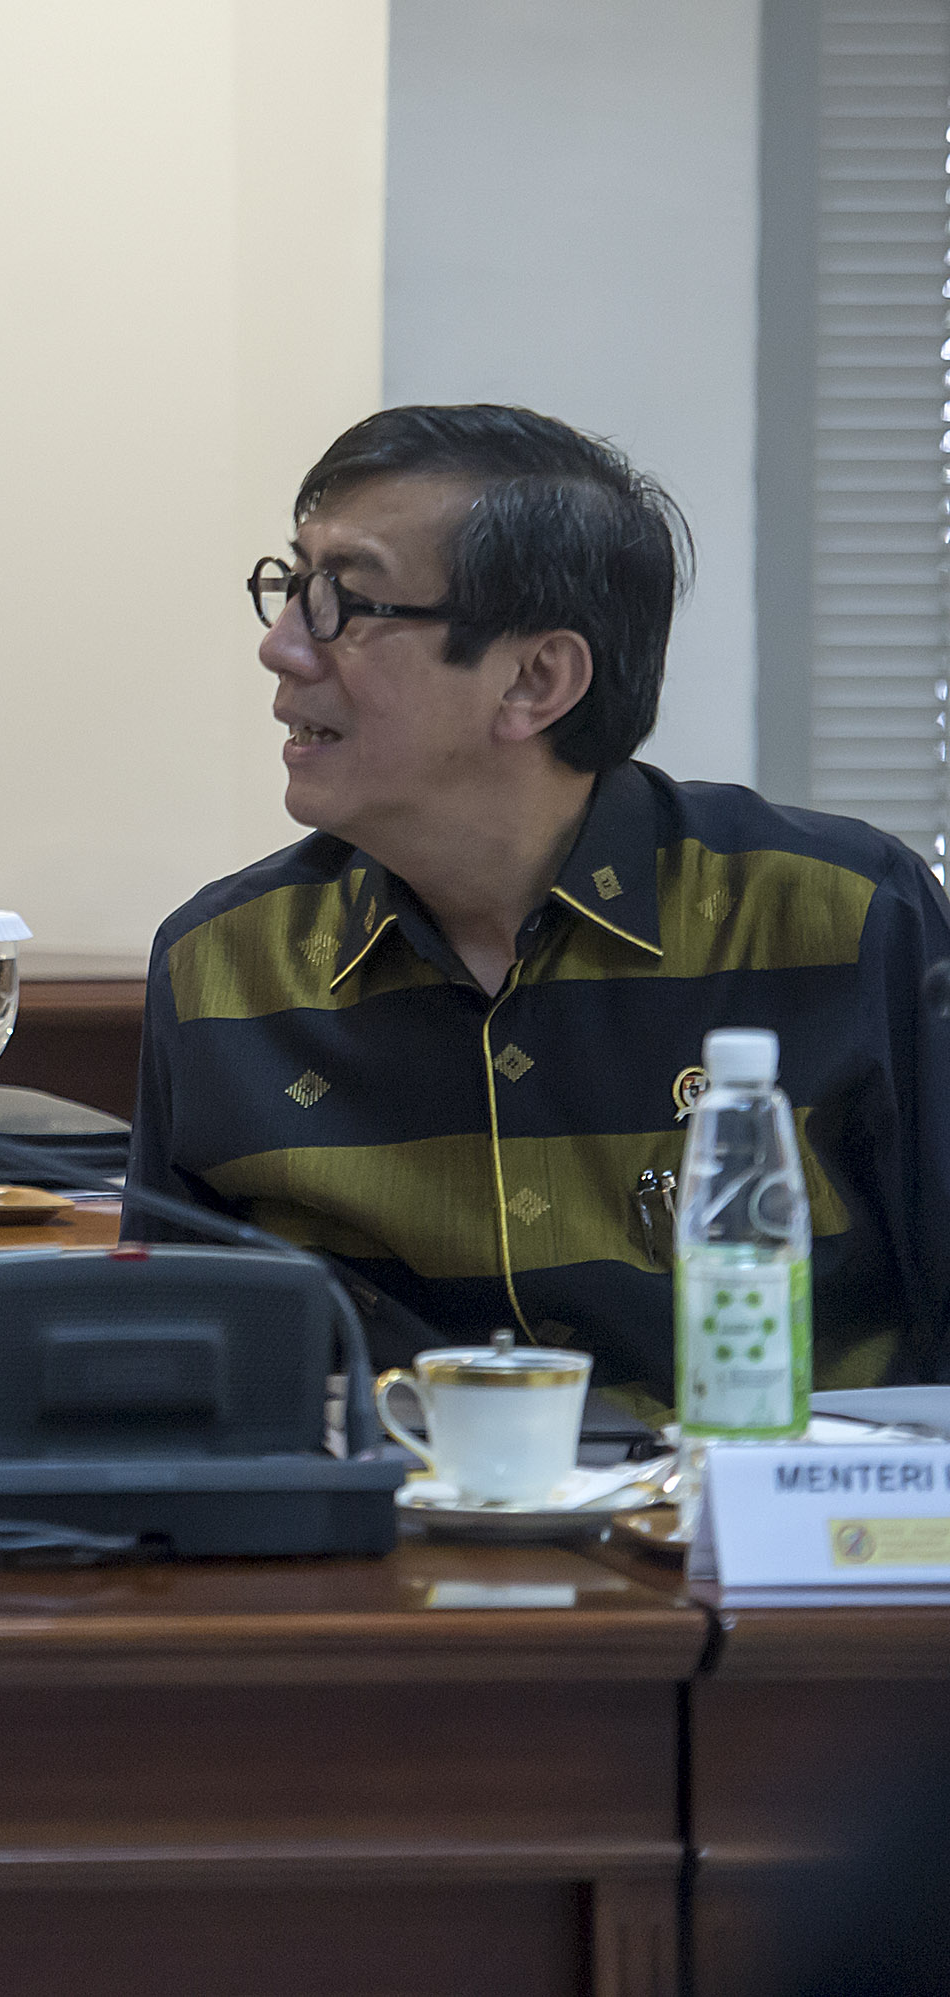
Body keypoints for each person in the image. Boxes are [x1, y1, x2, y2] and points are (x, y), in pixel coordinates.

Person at [128, 404, 950, 1403]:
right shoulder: (226, 967)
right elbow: (166, 1388)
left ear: (536, 679)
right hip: (391, 1505)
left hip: (764, 1499)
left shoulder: (843, 918)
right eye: (291, 587)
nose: (283, 647)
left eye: (344, 600)